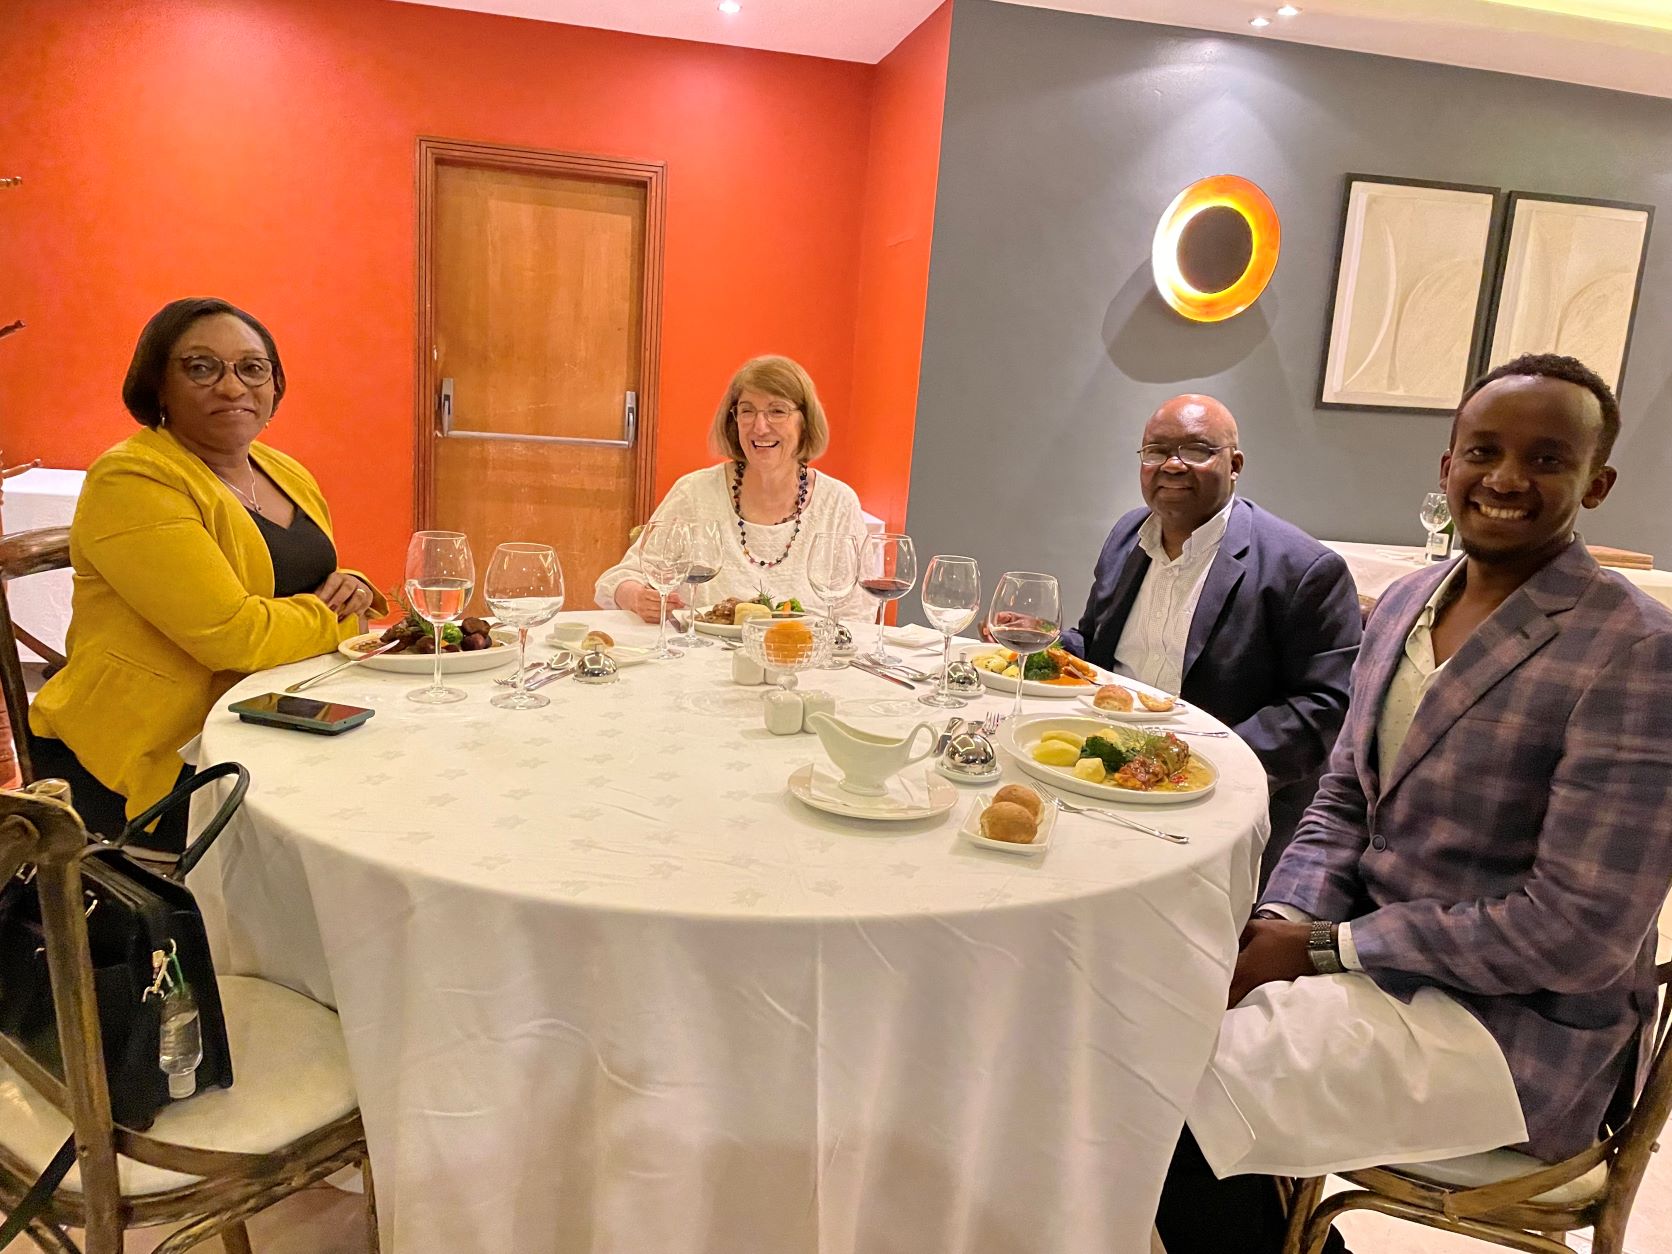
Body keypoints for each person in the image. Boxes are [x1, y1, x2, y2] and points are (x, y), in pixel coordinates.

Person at [1154, 354, 1672, 1254]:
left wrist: (1324, 947)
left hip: (1509, 1031)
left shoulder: (1635, 652)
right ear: (1446, 468)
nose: (1506, 478)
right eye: (1484, 451)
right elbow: (1343, 800)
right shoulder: (1403, 603)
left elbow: (1579, 931)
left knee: (1175, 1110)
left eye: (1548, 459)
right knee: (1137, 1035)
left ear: (1598, 483)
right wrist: (1278, 920)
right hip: (1372, 977)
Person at [27, 298, 383, 852]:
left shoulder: (280, 468)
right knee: (353, 830)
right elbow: (234, 636)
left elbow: (300, 580)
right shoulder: (131, 480)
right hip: (167, 753)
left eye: (252, 368)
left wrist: (352, 586)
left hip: (275, 712)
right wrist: (340, 618)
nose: (232, 386)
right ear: (157, 386)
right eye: (201, 367)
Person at [1060, 394, 1361, 873]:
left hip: (1212, 803)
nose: (1172, 466)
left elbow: (1322, 706)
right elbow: (1096, 644)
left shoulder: (1305, 569)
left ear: (1235, 464)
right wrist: (1046, 650)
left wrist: (1203, 760)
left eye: (1196, 450)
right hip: (1104, 771)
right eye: (1156, 450)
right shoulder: (1127, 535)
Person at [594, 355, 870, 621]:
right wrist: (637, 598)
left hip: (801, 661)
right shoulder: (695, 492)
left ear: (805, 422)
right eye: (747, 411)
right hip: (702, 661)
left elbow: (859, 612)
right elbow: (620, 579)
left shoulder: (837, 503)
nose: (760, 427)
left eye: (777, 411)